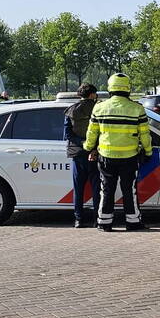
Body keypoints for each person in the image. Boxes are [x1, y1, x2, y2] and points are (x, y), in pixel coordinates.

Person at [84, 73, 152, 232]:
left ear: (110, 88)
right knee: (130, 190)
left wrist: (88, 148)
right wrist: (148, 152)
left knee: (106, 190)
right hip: (130, 157)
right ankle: (133, 222)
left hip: (106, 157)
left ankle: (104, 223)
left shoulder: (99, 108)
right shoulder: (137, 109)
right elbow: (145, 135)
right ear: (128, 88)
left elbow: (91, 133)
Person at [64, 83, 101, 228]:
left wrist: (82, 143)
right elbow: (103, 132)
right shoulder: (98, 109)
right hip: (95, 153)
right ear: (92, 94)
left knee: (78, 189)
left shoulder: (71, 111)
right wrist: (92, 147)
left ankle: (78, 219)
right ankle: (97, 219)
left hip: (77, 154)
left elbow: (68, 134)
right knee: (97, 189)